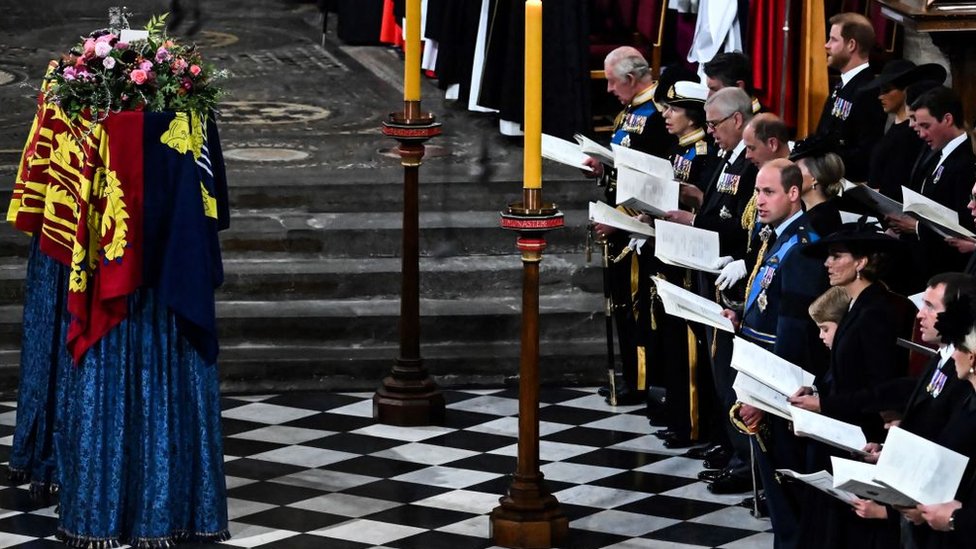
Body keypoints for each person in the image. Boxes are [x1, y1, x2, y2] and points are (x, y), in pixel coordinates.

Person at [722, 159, 827, 547]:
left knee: (786, 493)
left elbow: (795, 335)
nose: (759, 201)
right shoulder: (777, 237)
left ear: (794, 193)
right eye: (756, 192)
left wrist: (767, 400)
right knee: (776, 490)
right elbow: (769, 302)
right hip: (760, 373)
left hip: (778, 388)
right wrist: (740, 314)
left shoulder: (800, 247)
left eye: (769, 192)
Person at [790, 223, 914, 549]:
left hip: (861, 438)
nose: (827, 264)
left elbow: (881, 388)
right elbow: (848, 374)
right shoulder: (859, 305)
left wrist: (824, 405)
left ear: (861, 262)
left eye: (836, 256)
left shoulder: (876, 310)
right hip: (842, 430)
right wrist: (819, 393)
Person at [586, 47, 675, 406]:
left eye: (611, 81)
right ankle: (631, 375)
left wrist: (623, 223)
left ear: (630, 78)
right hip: (618, 217)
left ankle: (641, 380)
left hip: (636, 225)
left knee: (636, 306)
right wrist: (603, 168)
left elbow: (652, 177)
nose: (608, 89)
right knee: (622, 303)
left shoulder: (655, 111)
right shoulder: (630, 110)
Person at [887, 86, 976, 278]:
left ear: (947, 119)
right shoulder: (936, 155)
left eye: (926, 126)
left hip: (947, 267)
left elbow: (965, 223)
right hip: (925, 260)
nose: (920, 134)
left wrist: (916, 226)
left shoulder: (966, 161)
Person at [910, 293, 976, 548]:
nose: (952, 355)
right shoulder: (967, 402)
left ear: (971, 357)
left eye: (958, 347)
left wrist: (956, 519)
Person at [813, 12, 886, 184]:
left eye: (833, 39)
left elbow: (865, 152)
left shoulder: (868, 91)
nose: (826, 45)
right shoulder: (842, 85)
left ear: (851, 44)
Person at [865, 60, 947, 201]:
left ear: (905, 91)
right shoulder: (895, 126)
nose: (880, 96)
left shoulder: (913, 134)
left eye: (887, 90)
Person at [790, 137, 844, 238]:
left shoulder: (822, 219)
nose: (790, 176)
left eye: (796, 170)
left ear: (814, 178)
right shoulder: (819, 212)